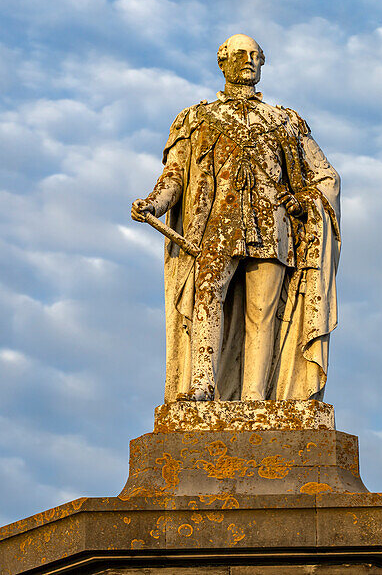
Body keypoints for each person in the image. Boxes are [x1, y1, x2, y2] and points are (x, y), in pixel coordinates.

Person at [132, 34, 340, 402]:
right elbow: (175, 175)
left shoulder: (284, 121)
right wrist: (154, 203)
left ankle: (255, 397)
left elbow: (325, 176)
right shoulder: (196, 118)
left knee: (262, 313)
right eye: (242, 54)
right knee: (206, 298)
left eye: (257, 56)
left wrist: (304, 200)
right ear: (222, 61)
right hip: (216, 227)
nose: (250, 61)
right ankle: (202, 386)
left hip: (271, 225)